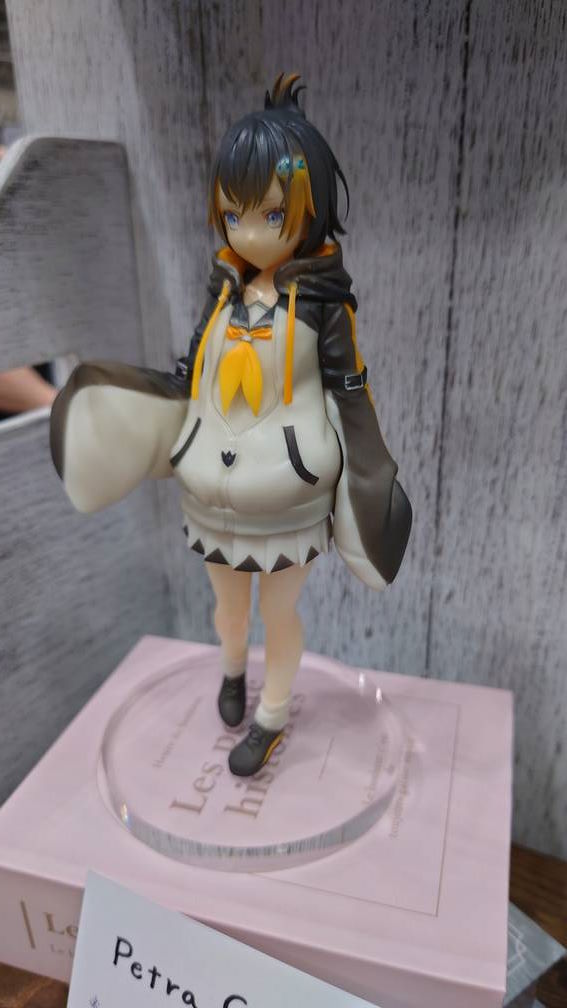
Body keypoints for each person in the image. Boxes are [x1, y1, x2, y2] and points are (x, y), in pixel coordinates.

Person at [50, 74, 412, 777]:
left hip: (285, 492)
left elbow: (350, 389)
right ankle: (231, 668)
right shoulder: (225, 288)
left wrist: (368, 472)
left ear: (309, 210)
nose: (249, 233)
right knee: (226, 607)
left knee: (280, 612)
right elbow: (190, 371)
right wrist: (142, 416)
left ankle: (271, 716)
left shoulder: (323, 305)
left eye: (272, 215)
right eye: (233, 213)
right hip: (211, 487)